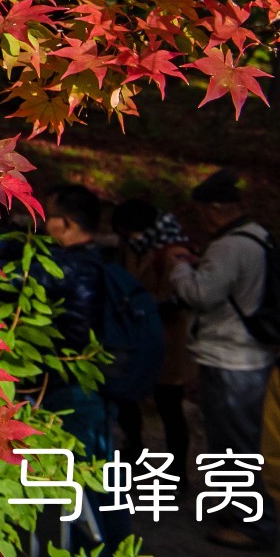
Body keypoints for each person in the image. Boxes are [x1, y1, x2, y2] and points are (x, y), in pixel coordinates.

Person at [170, 168, 277, 551]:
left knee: (233, 445)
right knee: (241, 441)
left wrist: (180, 264)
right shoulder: (257, 236)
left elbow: (201, 294)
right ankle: (243, 514)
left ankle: (255, 526)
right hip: (251, 354)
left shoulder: (230, 246)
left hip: (231, 358)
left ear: (215, 210)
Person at [42, 184, 134, 551]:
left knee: (80, 476)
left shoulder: (69, 267)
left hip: (71, 386)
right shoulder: (103, 263)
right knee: (101, 472)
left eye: (49, 216)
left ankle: (97, 546)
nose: (43, 223)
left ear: (65, 222)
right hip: (97, 384)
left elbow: (74, 334)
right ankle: (115, 544)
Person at [115, 196, 195, 476]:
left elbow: (183, 299)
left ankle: (178, 472)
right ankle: (134, 451)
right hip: (137, 340)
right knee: (128, 400)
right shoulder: (132, 247)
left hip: (167, 343)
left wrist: (144, 308)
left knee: (170, 408)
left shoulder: (172, 254)